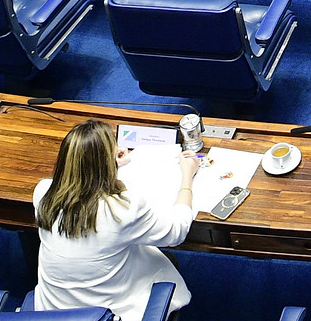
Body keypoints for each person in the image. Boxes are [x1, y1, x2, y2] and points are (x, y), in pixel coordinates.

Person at [32, 118, 199, 321]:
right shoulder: (122, 210)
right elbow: (176, 231)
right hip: (107, 314)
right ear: (105, 163)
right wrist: (187, 176)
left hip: (54, 313)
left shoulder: (43, 194)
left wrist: (108, 167)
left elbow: (82, 185)